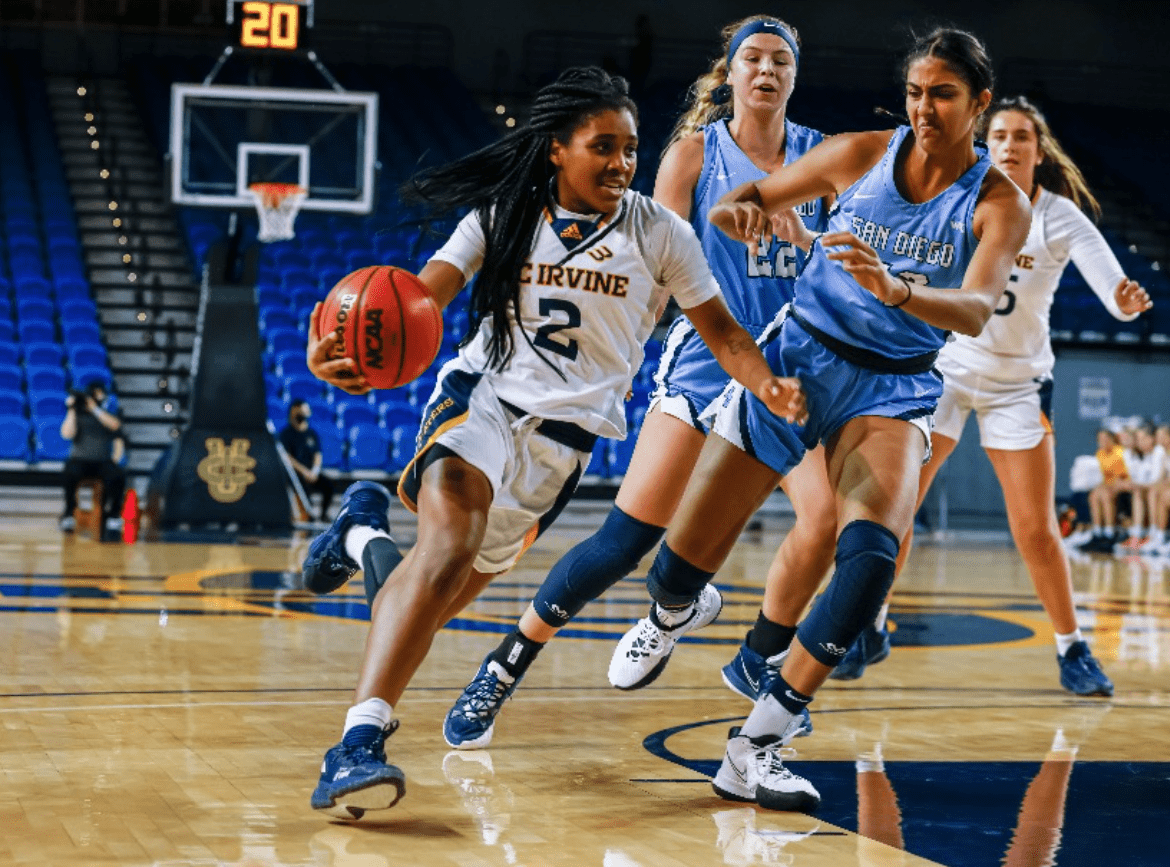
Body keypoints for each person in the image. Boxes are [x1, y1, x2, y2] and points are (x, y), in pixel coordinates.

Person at [299, 66, 806, 820]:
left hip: (561, 450)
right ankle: (356, 745)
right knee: (446, 548)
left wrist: (769, 386)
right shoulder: (505, 211)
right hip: (483, 404)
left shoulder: (660, 232)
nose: (622, 163)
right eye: (603, 147)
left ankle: (365, 527)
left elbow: (726, 335)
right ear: (557, 150)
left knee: (423, 603)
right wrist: (340, 346)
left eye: (631, 149)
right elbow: (418, 298)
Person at [608, 27, 1031, 812]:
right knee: (677, 566)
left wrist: (899, 290)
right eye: (915, 92)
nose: (924, 108)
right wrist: (750, 220)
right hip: (798, 359)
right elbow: (744, 202)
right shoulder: (860, 152)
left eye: (942, 94)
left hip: (893, 387)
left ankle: (758, 742)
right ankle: (674, 608)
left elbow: (974, 308)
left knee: (870, 557)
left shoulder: (1000, 203)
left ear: (979, 102)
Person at [443, 14, 837, 752]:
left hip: (787, 362)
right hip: (702, 354)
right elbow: (647, 262)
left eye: (781, 59)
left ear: (793, 74)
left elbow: (856, 266)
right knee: (626, 537)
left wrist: (806, 238)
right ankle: (505, 662)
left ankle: (745, 655)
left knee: (824, 522)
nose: (766, 70)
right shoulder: (692, 155)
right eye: (752, 57)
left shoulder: (824, 158)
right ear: (731, 71)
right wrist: (617, 361)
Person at [828, 95, 1152, 690]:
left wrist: (1124, 304)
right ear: (985, 141)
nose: (1008, 144)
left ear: (1038, 147)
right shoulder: (964, 194)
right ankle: (870, 624)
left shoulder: (1059, 214)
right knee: (896, 512)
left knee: (1034, 528)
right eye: (998, 134)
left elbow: (1110, 283)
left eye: (1021, 136)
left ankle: (1072, 648)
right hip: (946, 369)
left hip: (1017, 382)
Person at [59, 380, 126, 533]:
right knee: (68, 473)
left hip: (102, 461)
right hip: (80, 461)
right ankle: (69, 512)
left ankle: (113, 515)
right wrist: (72, 409)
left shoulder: (109, 412)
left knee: (118, 475)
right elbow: (66, 434)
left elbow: (115, 425)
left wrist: (95, 409)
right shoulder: (78, 413)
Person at [278, 398, 334, 521]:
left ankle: (323, 515)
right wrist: (304, 472)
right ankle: (307, 514)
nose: (301, 415)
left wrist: (315, 471)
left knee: (328, 485)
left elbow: (317, 455)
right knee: (301, 487)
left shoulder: (311, 434)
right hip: (295, 473)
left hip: (311, 472)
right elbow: (287, 458)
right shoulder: (286, 434)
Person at [1080, 427, 1133, 552]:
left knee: (1106, 495)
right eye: (1100, 439)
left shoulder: (1120, 452)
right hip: (1109, 485)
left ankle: (1109, 532)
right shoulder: (1100, 454)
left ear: (1112, 439)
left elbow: (1124, 476)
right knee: (1094, 495)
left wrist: (1109, 485)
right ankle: (1098, 532)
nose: (1102, 441)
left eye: (1105, 438)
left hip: (1124, 484)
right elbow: (1104, 477)